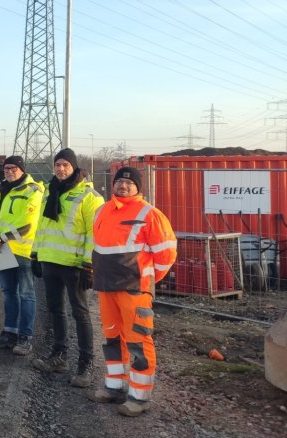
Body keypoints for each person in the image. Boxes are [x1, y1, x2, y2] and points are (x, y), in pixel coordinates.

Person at [87, 167, 177, 417]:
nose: (123, 185)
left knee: (138, 340)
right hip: (107, 287)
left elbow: (166, 253)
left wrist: (147, 280)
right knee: (113, 338)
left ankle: (139, 396)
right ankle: (114, 386)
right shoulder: (102, 211)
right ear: (113, 185)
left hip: (134, 289)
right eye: (119, 181)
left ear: (138, 187)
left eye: (129, 182)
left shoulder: (150, 214)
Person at [29, 149, 105, 387]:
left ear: (74, 167)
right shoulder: (49, 191)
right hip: (50, 260)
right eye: (57, 165)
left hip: (74, 265)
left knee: (80, 313)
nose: (61, 169)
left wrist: (88, 265)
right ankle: (59, 356)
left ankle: (86, 364)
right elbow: (41, 225)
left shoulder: (90, 196)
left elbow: (94, 233)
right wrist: (35, 254)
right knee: (55, 311)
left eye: (65, 165)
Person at [0, 155, 43, 356]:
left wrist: (1, 238)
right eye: (7, 168)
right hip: (0, 248)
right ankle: (9, 333)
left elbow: (28, 223)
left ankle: (25, 337)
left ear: (22, 169)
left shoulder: (33, 191)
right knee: (8, 292)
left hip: (22, 250)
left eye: (13, 168)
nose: (9, 171)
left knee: (26, 293)